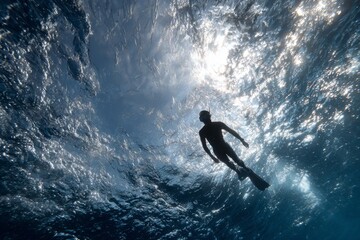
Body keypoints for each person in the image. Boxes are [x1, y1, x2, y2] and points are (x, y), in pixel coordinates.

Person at [198, 110, 270, 190]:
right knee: (228, 163)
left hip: (224, 146)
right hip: (218, 150)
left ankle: (244, 169)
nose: (206, 118)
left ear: (209, 116)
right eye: (204, 117)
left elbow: (231, 131)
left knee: (237, 161)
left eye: (206, 116)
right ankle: (239, 171)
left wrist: (242, 140)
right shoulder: (202, 132)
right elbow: (204, 146)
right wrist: (212, 157)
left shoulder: (218, 124)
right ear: (201, 120)